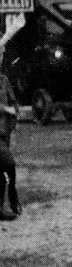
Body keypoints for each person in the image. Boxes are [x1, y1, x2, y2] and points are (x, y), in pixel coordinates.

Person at [0, 43, 20, 220]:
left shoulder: (4, 80)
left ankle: (2, 205)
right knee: (8, 164)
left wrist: (14, 118)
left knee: (3, 169)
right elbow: (8, 107)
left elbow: (13, 102)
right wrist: (5, 109)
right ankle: (12, 198)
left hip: (4, 132)